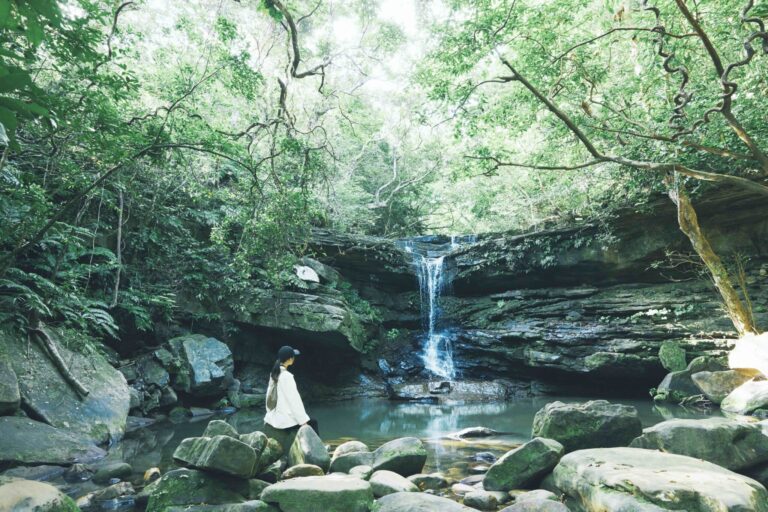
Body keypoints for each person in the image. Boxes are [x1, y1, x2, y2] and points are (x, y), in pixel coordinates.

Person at [264, 345, 319, 435]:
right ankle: (317, 448)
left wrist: (269, 413)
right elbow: (294, 401)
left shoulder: (274, 373)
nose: (294, 358)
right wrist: (303, 421)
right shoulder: (287, 376)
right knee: (313, 423)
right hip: (284, 422)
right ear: (289, 359)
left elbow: (269, 396)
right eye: (293, 356)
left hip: (273, 417)